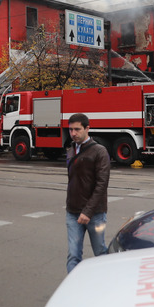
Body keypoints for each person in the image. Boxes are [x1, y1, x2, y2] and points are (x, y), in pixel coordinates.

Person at [65, 113, 111, 273]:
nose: (73, 133)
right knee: (73, 255)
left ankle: (110, 282)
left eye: (77, 129)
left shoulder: (99, 151)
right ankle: (73, 291)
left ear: (87, 129)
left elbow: (102, 184)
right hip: (72, 212)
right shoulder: (71, 149)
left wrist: (88, 211)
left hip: (95, 214)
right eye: (70, 130)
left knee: (100, 252)